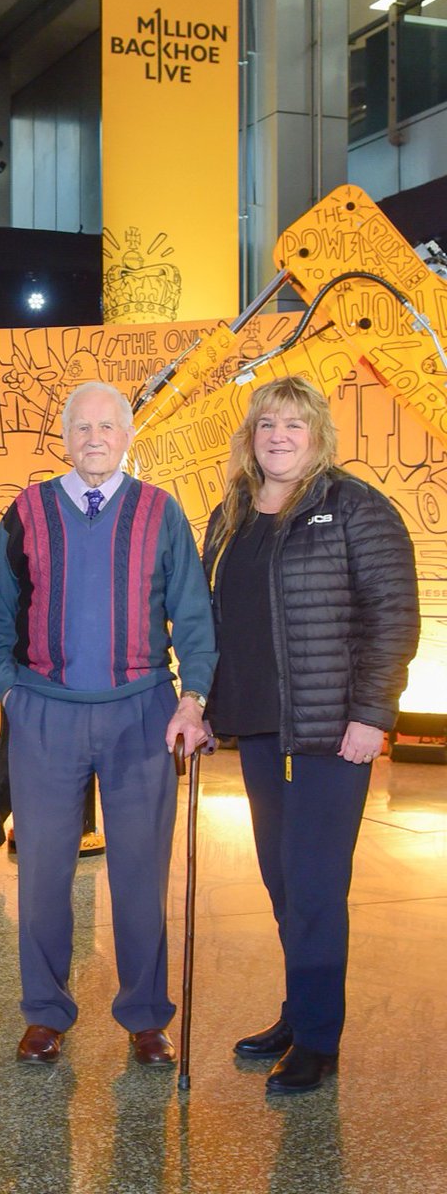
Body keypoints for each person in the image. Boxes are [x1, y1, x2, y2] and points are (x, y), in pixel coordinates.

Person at [0, 380, 216, 1068]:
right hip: (46, 713)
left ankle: (145, 1019)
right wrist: (12, 693)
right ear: (64, 436)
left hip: (140, 713)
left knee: (140, 874)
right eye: (81, 427)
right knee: (43, 875)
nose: (94, 439)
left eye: (107, 426)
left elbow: (193, 619)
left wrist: (191, 697)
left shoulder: (160, 514)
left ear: (128, 435)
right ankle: (45, 1015)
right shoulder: (26, 513)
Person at [203, 375, 419, 1094]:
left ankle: (320, 1041)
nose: (279, 437)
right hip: (261, 729)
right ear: (250, 434)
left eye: (294, 424)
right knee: (282, 883)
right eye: (267, 424)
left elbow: (393, 615)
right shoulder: (231, 512)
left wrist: (372, 715)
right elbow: (215, 619)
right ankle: (299, 1013)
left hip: (331, 732)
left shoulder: (354, 508)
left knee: (318, 885)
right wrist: (203, 703)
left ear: (317, 432)